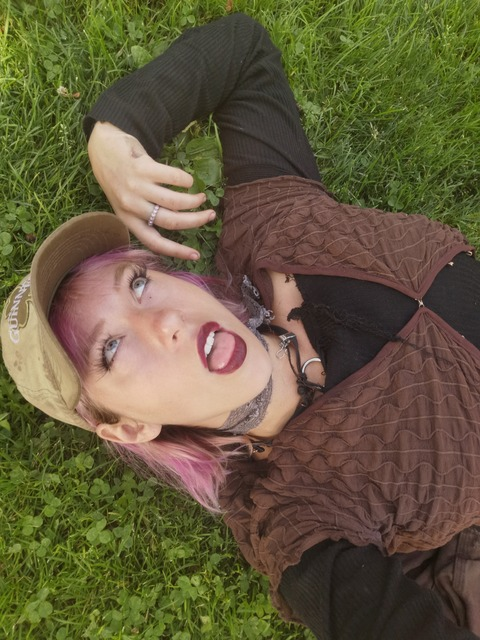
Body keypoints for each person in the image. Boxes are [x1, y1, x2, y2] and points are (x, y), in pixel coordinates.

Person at [2, 13, 480, 640]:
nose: (166, 320)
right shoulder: (299, 516)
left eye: (137, 283)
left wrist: (116, 132)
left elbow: (244, 51)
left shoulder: (271, 226)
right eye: (111, 348)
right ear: (130, 427)